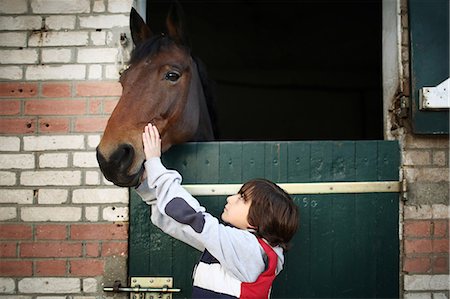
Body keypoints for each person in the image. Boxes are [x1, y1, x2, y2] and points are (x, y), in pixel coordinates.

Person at [136, 123, 299, 298]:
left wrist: (154, 163)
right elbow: (181, 225)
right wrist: (145, 187)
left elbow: (192, 217)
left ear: (259, 218)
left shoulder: (248, 249)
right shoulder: (235, 249)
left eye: (242, 198)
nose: (231, 198)